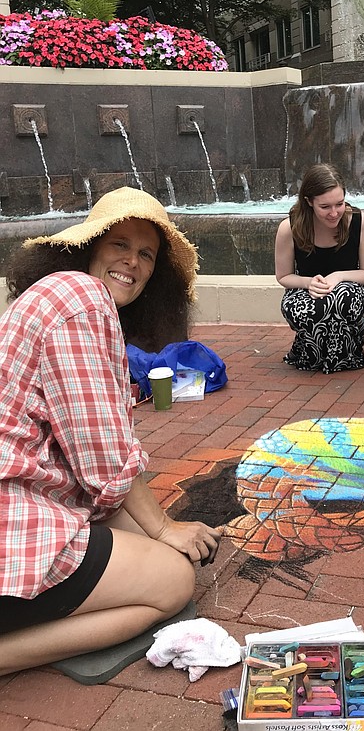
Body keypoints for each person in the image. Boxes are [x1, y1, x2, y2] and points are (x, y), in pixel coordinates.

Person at [0, 186, 221, 676]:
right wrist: (164, 528)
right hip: (11, 521)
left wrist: (159, 528)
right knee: (172, 581)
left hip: (32, 499)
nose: (133, 262)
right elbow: (100, 450)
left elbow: (86, 462)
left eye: (146, 254)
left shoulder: (61, 297)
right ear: (88, 247)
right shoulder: (80, 297)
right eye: (119, 244)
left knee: (145, 537)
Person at [275, 163, 364, 374]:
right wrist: (308, 282)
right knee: (315, 303)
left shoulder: (361, 223)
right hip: (306, 289)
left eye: (339, 204)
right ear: (309, 202)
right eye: (325, 207)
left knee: (341, 297)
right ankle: (309, 352)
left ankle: (349, 354)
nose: (334, 213)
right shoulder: (289, 227)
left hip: (349, 289)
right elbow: (283, 276)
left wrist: (338, 277)